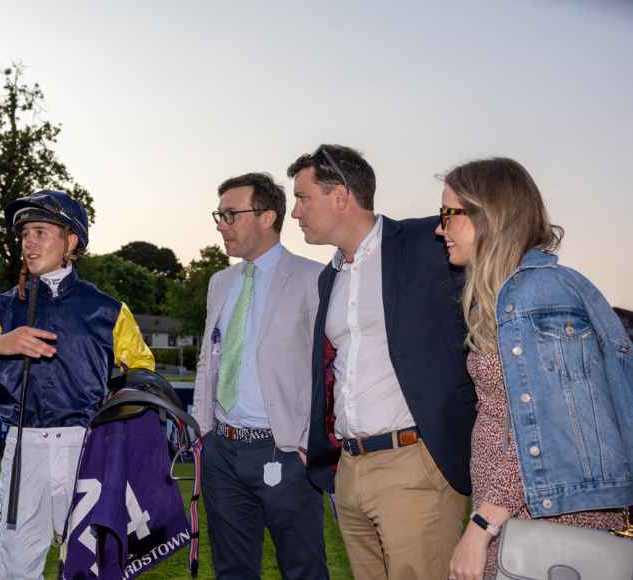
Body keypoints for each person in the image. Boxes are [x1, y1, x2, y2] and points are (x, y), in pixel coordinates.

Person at [437, 158, 632, 580]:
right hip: (521, 516)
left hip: (539, 524)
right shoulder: (515, 293)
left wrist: (482, 526)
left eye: (448, 214)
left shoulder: (532, 295)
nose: (441, 228)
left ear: (486, 215)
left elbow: (548, 422)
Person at [0, 190, 155, 580]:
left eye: (40, 232)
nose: (28, 242)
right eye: (24, 234)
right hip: (25, 445)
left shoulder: (108, 309)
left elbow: (144, 374)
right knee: (17, 569)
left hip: (88, 447)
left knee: (93, 567)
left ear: (71, 240)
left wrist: (119, 411)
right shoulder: (1, 308)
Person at [288, 145, 476, 580]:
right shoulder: (329, 275)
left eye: (302, 197)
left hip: (415, 465)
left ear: (341, 196)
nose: (295, 212)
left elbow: (494, 236)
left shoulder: (427, 240)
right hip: (349, 471)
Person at [192, 172, 328, 579]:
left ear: (268, 217)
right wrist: (204, 435)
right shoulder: (221, 282)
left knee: (303, 569)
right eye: (219, 215)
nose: (221, 225)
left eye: (230, 215)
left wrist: (308, 442)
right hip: (223, 453)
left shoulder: (313, 278)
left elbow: (329, 367)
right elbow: (208, 359)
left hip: (286, 453)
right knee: (232, 571)